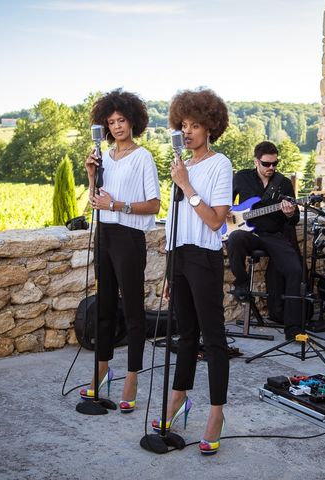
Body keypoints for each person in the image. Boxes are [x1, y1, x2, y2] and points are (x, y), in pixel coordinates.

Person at [152, 88, 232, 456]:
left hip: (204, 257)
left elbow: (216, 222)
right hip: (180, 257)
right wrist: (170, 269)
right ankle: (179, 399)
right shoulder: (181, 166)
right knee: (185, 336)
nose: (187, 132)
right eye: (183, 125)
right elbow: (175, 222)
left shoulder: (220, 165)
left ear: (210, 128)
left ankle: (216, 414)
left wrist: (186, 186)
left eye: (195, 125)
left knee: (212, 339)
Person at [82, 89, 161, 414]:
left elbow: (154, 205)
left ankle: (131, 377)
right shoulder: (104, 158)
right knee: (103, 306)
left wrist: (117, 204)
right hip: (105, 235)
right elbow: (94, 201)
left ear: (133, 121)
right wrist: (91, 176)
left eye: (121, 120)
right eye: (111, 121)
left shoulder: (143, 158)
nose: (116, 126)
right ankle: (102, 370)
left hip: (130, 238)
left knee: (131, 310)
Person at [225, 141, 303, 340]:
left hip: (274, 236)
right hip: (248, 234)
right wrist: (226, 211)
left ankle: (293, 328)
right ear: (256, 161)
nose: (271, 168)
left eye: (275, 164)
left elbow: (294, 220)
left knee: (295, 270)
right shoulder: (242, 177)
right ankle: (241, 283)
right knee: (235, 238)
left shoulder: (283, 183)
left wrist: (289, 213)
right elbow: (226, 201)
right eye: (267, 164)